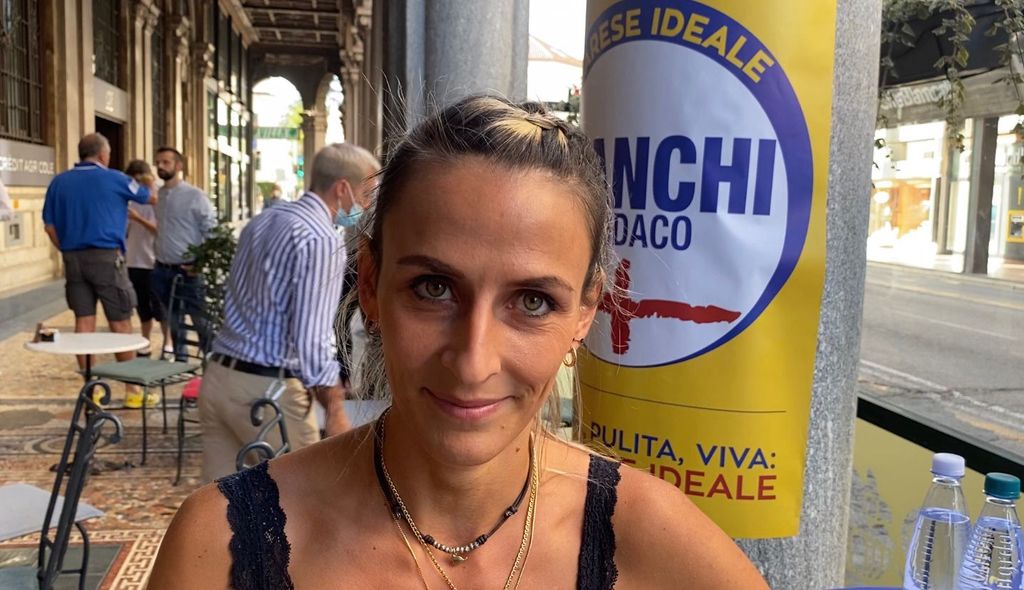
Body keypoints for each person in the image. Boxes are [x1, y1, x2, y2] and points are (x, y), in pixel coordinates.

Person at [149, 97, 769, 589]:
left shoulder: (648, 535)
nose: (473, 363)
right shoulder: (219, 547)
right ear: (370, 286)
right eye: (433, 288)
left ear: (585, 313)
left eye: (533, 301)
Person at [194, 142, 378, 483]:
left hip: (219, 378)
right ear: (342, 188)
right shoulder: (321, 239)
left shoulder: (264, 220)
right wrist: (334, 407)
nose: (366, 206)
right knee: (310, 495)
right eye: (366, 195)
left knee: (221, 501)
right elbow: (312, 338)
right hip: (267, 394)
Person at [41, 134, 157, 408]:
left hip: (73, 259)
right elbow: (150, 197)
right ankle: (133, 390)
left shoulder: (59, 182)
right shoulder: (116, 178)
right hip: (107, 258)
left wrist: (66, 249)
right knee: (121, 321)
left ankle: (92, 391)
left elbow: (49, 226)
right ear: (104, 155)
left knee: (84, 322)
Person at [150, 146, 216, 361]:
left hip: (187, 269)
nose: (160, 166)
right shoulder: (160, 194)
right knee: (173, 320)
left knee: (200, 320)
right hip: (162, 268)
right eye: (158, 162)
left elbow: (212, 231)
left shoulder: (195, 196)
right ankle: (181, 361)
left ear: (178, 166)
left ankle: (214, 362)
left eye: (166, 162)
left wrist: (201, 262)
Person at [123, 160, 170, 368]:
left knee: (160, 306)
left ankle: (168, 343)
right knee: (142, 306)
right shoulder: (130, 198)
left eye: (138, 180)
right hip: (134, 260)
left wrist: (138, 219)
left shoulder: (160, 198)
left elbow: (161, 231)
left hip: (154, 260)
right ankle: (145, 342)